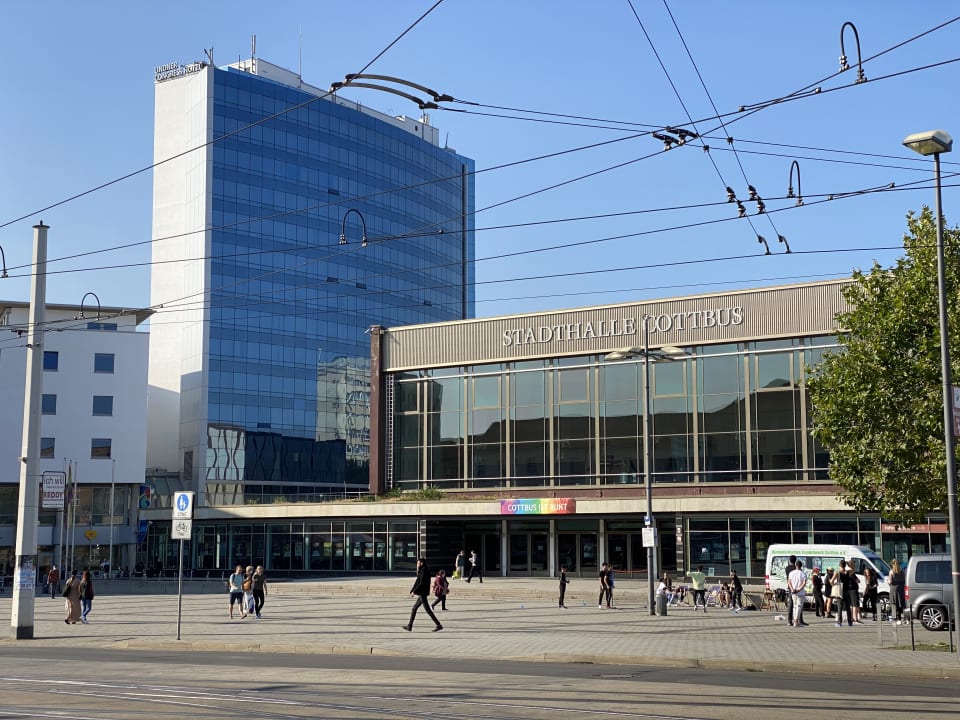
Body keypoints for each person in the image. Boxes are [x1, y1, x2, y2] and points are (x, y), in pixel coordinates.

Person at [403, 558, 443, 632]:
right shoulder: (422, 570)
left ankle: (438, 625)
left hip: (422, 593)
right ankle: (409, 626)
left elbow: (421, 583)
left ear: (421, 563)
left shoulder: (424, 571)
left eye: (418, 563)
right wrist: (412, 590)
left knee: (427, 610)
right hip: (422, 593)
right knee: (414, 609)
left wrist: (414, 592)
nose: (417, 564)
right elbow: (417, 582)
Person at [787, 559, 807, 628]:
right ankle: (796, 620)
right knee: (799, 606)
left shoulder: (791, 573)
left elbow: (789, 582)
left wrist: (792, 589)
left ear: (795, 565)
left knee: (795, 606)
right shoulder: (803, 573)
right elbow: (804, 583)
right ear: (801, 566)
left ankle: (794, 620)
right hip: (800, 592)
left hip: (793, 592)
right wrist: (799, 589)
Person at [888, 558, 906, 623]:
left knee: (894, 603)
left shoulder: (891, 571)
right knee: (900, 604)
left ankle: (895, 618)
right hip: (901, 589)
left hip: (894, 589)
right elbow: (904, 580)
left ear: (892, 564)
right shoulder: (902, 571)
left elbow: (890, 581)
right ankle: (901, 618)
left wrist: (888, 581)